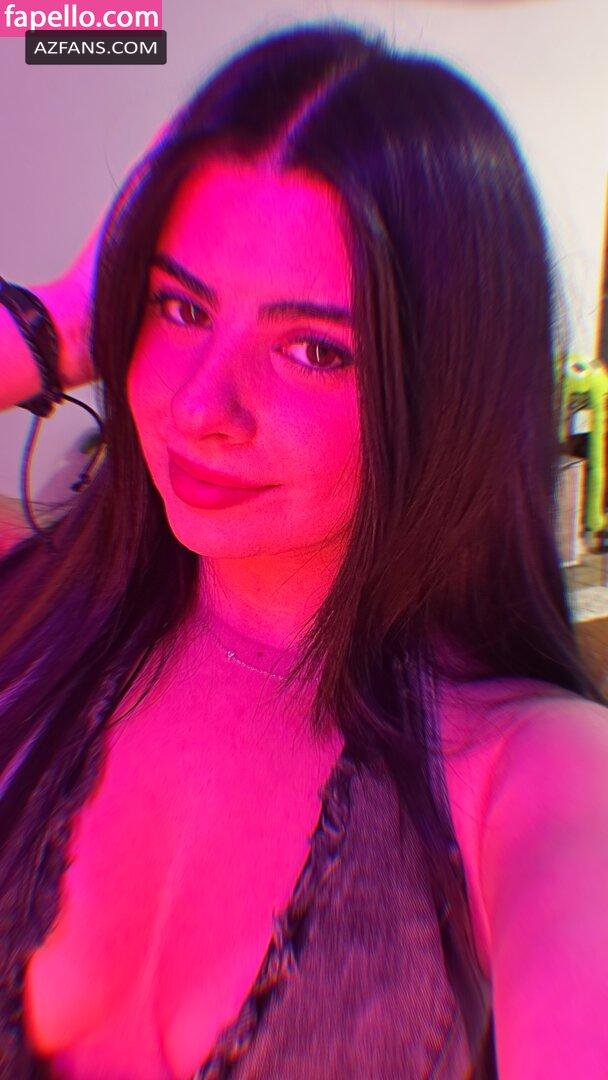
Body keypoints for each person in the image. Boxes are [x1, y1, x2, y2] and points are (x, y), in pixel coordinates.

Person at [0, 20, 607, 1080]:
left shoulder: (529, 771)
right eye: (179, 306)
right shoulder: (34, 612)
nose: (201, 407)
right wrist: (62, 318)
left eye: (314, 350)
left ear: (445, 390)